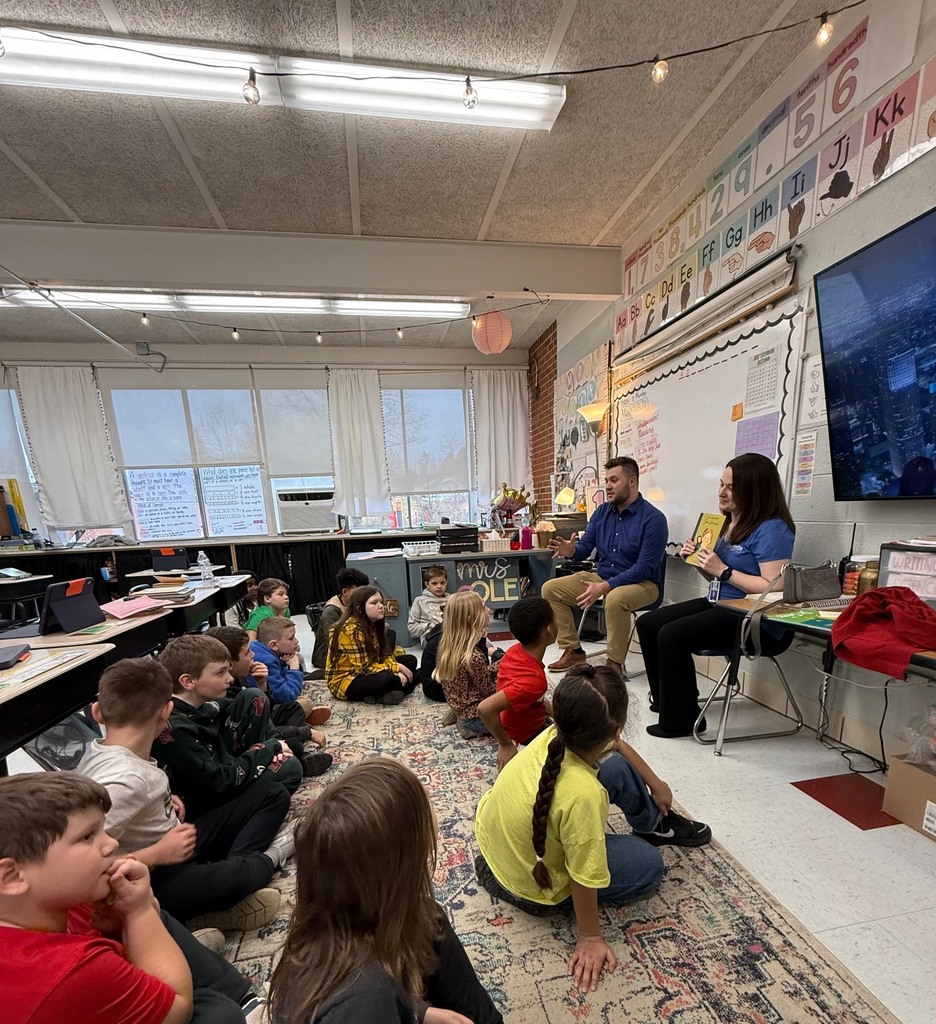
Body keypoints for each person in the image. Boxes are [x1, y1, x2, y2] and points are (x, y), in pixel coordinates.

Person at [474, 666, 711, 993]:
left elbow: (617, 749)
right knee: (651, 865)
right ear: (616, 730)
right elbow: (584, 876)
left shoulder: (555, 735)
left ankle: (654, 824)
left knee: (614, 766)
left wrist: (656, 783)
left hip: (494, 847)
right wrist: (590, 937)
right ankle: (649, 833)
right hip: (530, 885)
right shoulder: (584, 795)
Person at [0, 773, 261, 1024]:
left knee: (136, 904)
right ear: (12, 877)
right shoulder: (65, 972)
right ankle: (241, 1003)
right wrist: (139, 913)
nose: (112, 843)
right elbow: (177, 1009)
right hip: (93, 987)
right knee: (219, 1013)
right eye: (87, 836)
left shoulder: (50, 901)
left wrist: (130, 918)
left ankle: (243, 997)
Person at [268, 758, 503, 1024]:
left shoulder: (327, 925)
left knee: (426, 920)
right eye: (426, 809)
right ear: (399, 865)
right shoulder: (367, 1000)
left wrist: (417, 1012)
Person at [77, 658, 290, 930]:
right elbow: (83, 869)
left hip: (174, 841)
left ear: (97, 712)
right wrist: (157, 854)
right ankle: (256, 868)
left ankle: (216, 893)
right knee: (241, 873)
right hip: (156, 875)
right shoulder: (125, 781)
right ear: (166, 712)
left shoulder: (103, 753)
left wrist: (164, 802)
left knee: (273, 794)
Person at [636, 452, 795, 737]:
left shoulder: (773, 529)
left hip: (754, 618)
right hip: (721, 603)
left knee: (672, 634)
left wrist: (722, 570)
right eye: (721, 484)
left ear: (754, 489)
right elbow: (717, 576)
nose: (721, 492)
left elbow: (774, 586)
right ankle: (669, 703)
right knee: (648, 624)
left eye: (731, 487)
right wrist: (698, 562)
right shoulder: (728, 523)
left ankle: (681, 720)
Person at [151, 635, 325, 821]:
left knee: (254, 697)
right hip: (210, 797)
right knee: (290, 768)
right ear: (188, 681)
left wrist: (271, 746)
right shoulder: (176, 729)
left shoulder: (206, 702)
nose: (229, 679)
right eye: (221, 673)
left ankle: (279, 755)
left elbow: (256, 715)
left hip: (230, 761)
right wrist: (269, 749)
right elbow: (218, 781)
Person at [542, 456, 668, 676]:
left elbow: (645, 568)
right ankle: (573, 650)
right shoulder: (602, 513)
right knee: (550, 589)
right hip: (602, 578)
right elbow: (585, 548)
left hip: (643, 583)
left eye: (614, 480)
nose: (608, 486)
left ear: (632, 482)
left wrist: (607, 586)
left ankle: (614, 665)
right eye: (607, 480)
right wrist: (571, 551)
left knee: (615, 598)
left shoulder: (654, 519)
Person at [207, 624, 331, 746]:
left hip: (256, 726)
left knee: (294, 708)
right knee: (292, 743)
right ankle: (301, 749)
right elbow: (257, 730)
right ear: (231, 663)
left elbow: (265, 713)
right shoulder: (222, 693)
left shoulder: (239, 678)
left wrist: (262, 685)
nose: (253, 655)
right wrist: (304, 732)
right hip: (246, 737)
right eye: (247, 653)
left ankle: (298, 727)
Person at [478, 597, 557, 771]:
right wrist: (505, 744)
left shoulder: (516, 650)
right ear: (549, 630)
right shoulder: (535, 681)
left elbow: (534, 698)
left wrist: (558, 715)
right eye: (555, 618)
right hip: (524, 736)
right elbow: (485, 708)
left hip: (526, 721)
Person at [326, 585, 418, 705]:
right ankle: (407, 683)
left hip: (371, 667)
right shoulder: (351, 630)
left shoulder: (374, 623)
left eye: (381, 602)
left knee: (410, 660)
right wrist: (396, 669)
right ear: (359, 608)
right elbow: (364, 668)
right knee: (387, 680)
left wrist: (395, 668)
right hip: (347, 679)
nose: (381, 606)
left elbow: (385, 654)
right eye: (374, 603)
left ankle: (381, 693)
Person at [247, 617, 331, 742]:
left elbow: (283, 680)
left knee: (302, 702)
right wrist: (294, 668)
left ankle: (303, 716)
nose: (296, 641)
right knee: (303, 703)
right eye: (291, 638)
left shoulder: (264, 651)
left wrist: (287, 665)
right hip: (262, 713)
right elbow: (289, 695)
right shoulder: (266, 661)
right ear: (274, 645)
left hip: (269, 704)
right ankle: (301, 721)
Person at [431, 591, 496, 740]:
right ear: (471, 619)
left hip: (463, 708)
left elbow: (479, 679)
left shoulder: (451, 648)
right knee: (522, 717)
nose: (488, 611)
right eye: (484, 607)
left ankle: (460, 716)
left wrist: (497, 667)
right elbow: (490, 692)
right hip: (475, 718)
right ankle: (468, 727)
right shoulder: (474, 657)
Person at [312, 567, 370, 670]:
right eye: (359, 592)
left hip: (352, 645)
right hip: (329, 655)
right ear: (344, 592)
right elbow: (334, 642)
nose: (363, 596)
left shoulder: (358, 604)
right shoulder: (332, 611)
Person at [408, 564, 449, 646]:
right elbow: (412, 627)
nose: (439, 586)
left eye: (442, 583)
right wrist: (428, 626)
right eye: (434, 583)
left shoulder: (452, 599)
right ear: (427, 584)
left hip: (450, 633)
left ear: (446, 583)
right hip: (430, 636)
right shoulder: (420, 601)